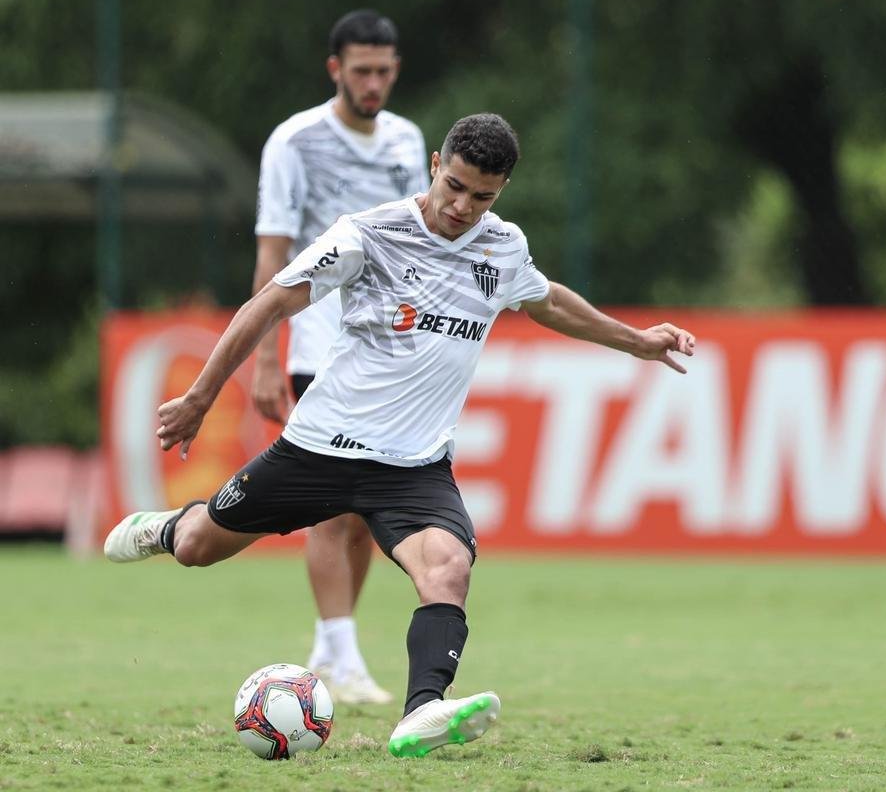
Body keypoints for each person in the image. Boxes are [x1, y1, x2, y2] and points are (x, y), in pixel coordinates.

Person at [103, 113, 696, 758]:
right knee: (197, 546)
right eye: (457, 188)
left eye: (484, 196)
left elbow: (546, 300)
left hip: (413, 468)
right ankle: (165, 527)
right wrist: (201, 396)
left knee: (449, 566)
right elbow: (270, 302)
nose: (463, 207)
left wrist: (637, 341)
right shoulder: (368, 234)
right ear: (437, 165)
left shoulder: (502, 247)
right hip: (318, 450)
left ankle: (423, 711)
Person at [252, 9, 428, 705]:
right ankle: (341, 657)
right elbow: (273, 250)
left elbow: (415, 244)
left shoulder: (408, 142)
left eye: (384, 71)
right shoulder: (294, 141)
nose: (373, 83)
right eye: (361, 71)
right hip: (320, 337)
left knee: (362, 508)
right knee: (332, 504)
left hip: (387, 344)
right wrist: (266, 357)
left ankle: (332, 651)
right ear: (336, 70)